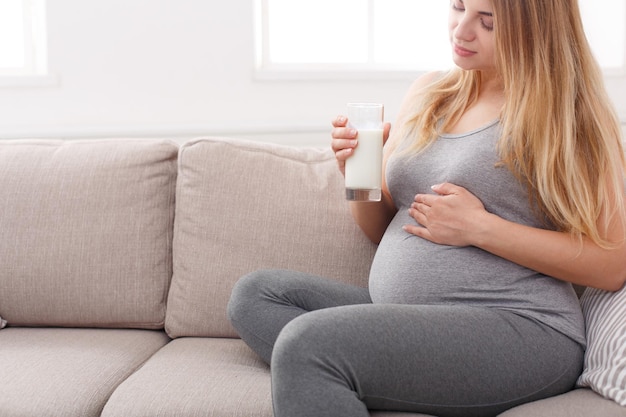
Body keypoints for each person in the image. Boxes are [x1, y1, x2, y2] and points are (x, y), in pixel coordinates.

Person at [227, 0, 626, 416]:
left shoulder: (568, 116)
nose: (461, 30)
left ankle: (336, 369)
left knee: (307, 345)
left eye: (487, 22)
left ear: (535, 30)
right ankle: (362, 374)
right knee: (257, 295)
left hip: (522, 328)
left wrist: (479, 228)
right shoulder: (430, 92)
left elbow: (611, 263)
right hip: (413, 316)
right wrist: (357, 175)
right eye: (458, 7)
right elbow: (384, 230)